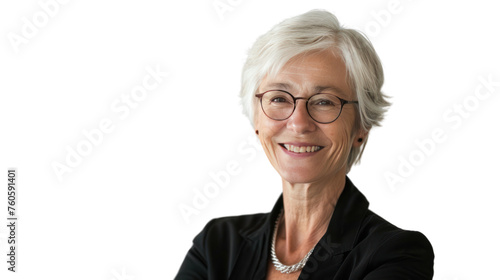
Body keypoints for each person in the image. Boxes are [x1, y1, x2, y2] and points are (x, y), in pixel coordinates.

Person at [176, 9, 434, 279]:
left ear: (361, 126)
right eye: (279, 98)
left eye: (324, 102)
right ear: (256, 119)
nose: (299, 123)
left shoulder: (395, 254)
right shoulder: (216, 245)